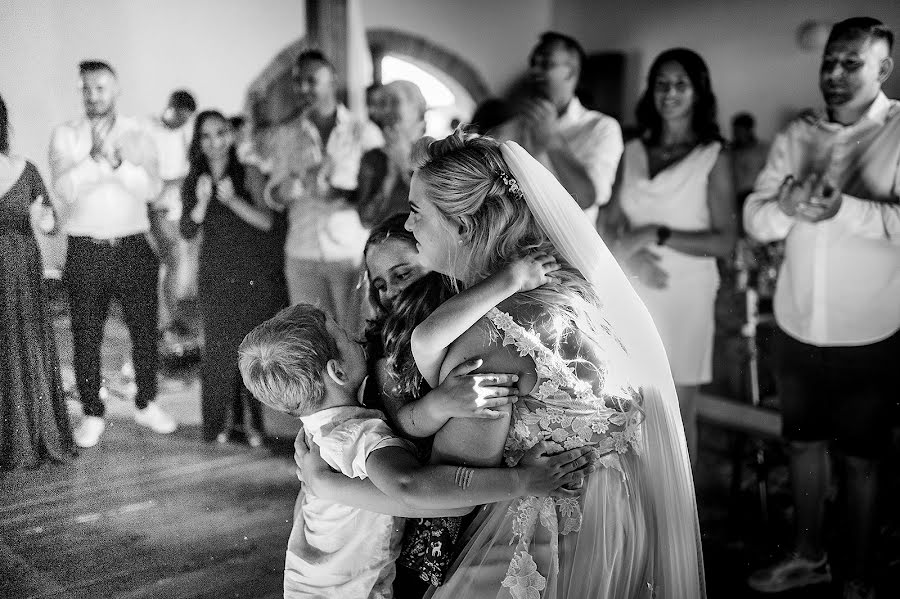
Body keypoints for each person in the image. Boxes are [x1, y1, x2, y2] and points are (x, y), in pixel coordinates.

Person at [401, 131, 704, 597]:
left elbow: (452, 491)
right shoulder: (576, 291)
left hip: (546, 542)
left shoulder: (494, 340)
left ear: (462, 225)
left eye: (417, 212)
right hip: (620, 524)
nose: (407, 227)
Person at [237, 303, 595, 599]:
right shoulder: (354, 436)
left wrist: (440, 404)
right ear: (337, 371)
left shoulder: (325, 428)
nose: (356, 338)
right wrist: (523, 481)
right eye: (345, 338)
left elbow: (405, 435)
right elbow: (411, 487)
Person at [744, 18, 899, 599]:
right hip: (798, 321)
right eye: (828, 61)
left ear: (882, 68)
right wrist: (783, 209)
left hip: (872, 329)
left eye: (850, 63)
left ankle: (857, 576)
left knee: (863, 461)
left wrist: (846, 212)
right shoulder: (795, 135)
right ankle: (810, 556)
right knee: (802, 446)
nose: (833, 74)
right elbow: (754, 219)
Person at [596, 48, 737, 464]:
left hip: (687, 293)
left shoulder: (714, 156)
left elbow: (725, 241)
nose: (669, 92)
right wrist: (632, 258)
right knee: (626, 400)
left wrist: (654, 234)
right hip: (635, 286)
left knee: (677, 407)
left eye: (680, 84)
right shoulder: (634, 150)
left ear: (698, 93)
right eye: (661, 83)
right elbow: (608, 225)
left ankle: (677, 519)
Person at [49, 60, 176, 448]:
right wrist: (93, 160)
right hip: (85, 247)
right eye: (86, 88)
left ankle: (146, 401)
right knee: (86, 334)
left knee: (144, 331)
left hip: (133, 245)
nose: (92, 96)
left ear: (115, 89)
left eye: (100, 88)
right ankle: (91, 412)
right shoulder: (65, 136)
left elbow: (153, 188)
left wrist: (119, 165)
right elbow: (64, 189)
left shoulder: (138, 132)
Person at [263, 49, 382, 337]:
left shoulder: (363, 133)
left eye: (311, 80)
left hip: (350, 254)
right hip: (302, 252)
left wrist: (338, 194)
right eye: (297, 81)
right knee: (312, 341)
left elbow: (377, 198)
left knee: (357, 338)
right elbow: (272, 195)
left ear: (333, 81)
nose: (303, 88)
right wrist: (284, 191)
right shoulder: (286, 134)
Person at [180, 110, 279, 445]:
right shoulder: (195, 178)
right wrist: (203, 202)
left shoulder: (248, 172)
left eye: (220, 133)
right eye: (206, 136)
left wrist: (233, 200)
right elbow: (187, 229)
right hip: (215, 271)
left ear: (231, 136)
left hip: (249, 270)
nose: (214, 142)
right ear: (199, 142)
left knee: (252, 347)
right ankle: (218, 425)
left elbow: (267, 223)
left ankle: (254, 425)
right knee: (219, 350)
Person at [0, 92, 75, 469]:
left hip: (19, 271)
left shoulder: (25, 169)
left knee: (23, 347)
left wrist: (42, 221)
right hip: (13, 266)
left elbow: (51, 225)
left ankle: (30, 438)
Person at [493, 31, 624, 222]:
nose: (534, 72)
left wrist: (552, 139)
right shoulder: (510, 128)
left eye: (545, 64)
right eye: (533, 64)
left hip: (567, 249)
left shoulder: (602, 128)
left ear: (571, 72)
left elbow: (587, 199)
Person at [146, 89, 196, 338]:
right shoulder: (149, 129)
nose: (185, 123)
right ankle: (164, 323)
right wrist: (175, 182)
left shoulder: (180, 135)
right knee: (167, 267)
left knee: (173, 268)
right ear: (173, 109)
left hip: (174, 210)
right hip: (156, 209)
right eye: (184, 117)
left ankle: (168, 320)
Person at [356, 81, 427, 227]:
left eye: (394, 102)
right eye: (382, 103)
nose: (386, 110)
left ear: (416, 108)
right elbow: (366, 219)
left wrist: (405, 166)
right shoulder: (373, 158)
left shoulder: (435, 154)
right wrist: (389, 179)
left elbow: (440, 212)